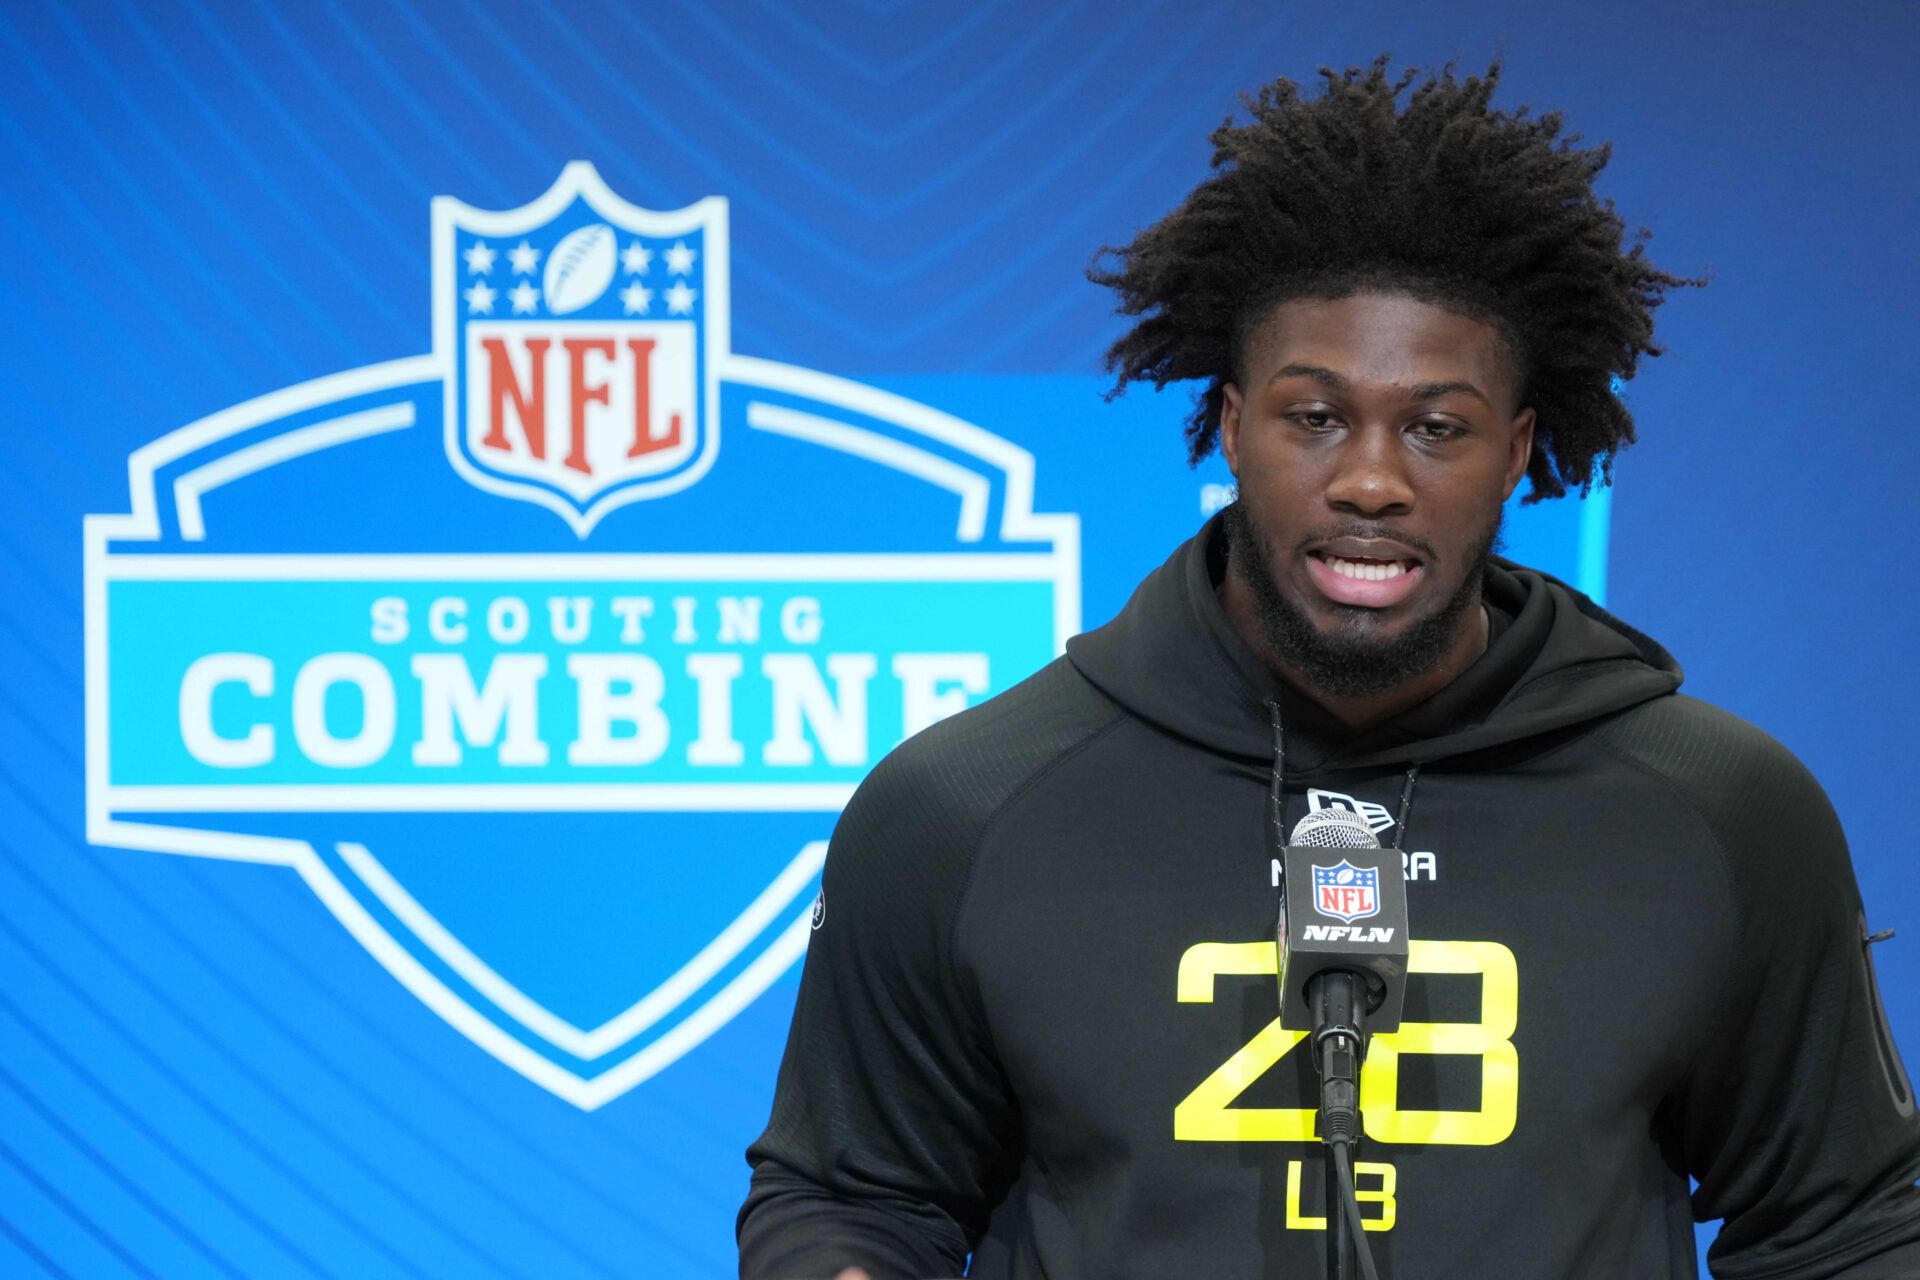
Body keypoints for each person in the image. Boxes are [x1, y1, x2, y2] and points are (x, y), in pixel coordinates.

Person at [736, 60, 1920, 1279]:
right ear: (1231, 424)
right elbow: (851, 1194)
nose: (1370, 479)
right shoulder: (961, 808)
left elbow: (1847, 1226)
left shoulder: (1722, 811)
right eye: (1314, 416)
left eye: (1437, 426)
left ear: (1518, 449)